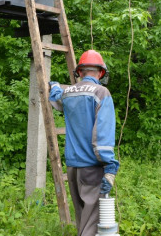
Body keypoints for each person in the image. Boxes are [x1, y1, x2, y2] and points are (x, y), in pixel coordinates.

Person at [48, 49, 120, 236]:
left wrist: (55, 87)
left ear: (79, 72)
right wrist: (110, 167)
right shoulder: (101, 92)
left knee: (83, 219)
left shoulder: (68, 92)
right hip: (92, 167)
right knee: (92, 224)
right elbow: (102, 134)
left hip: (73, 167)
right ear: (101, 72)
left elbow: (56, 99)